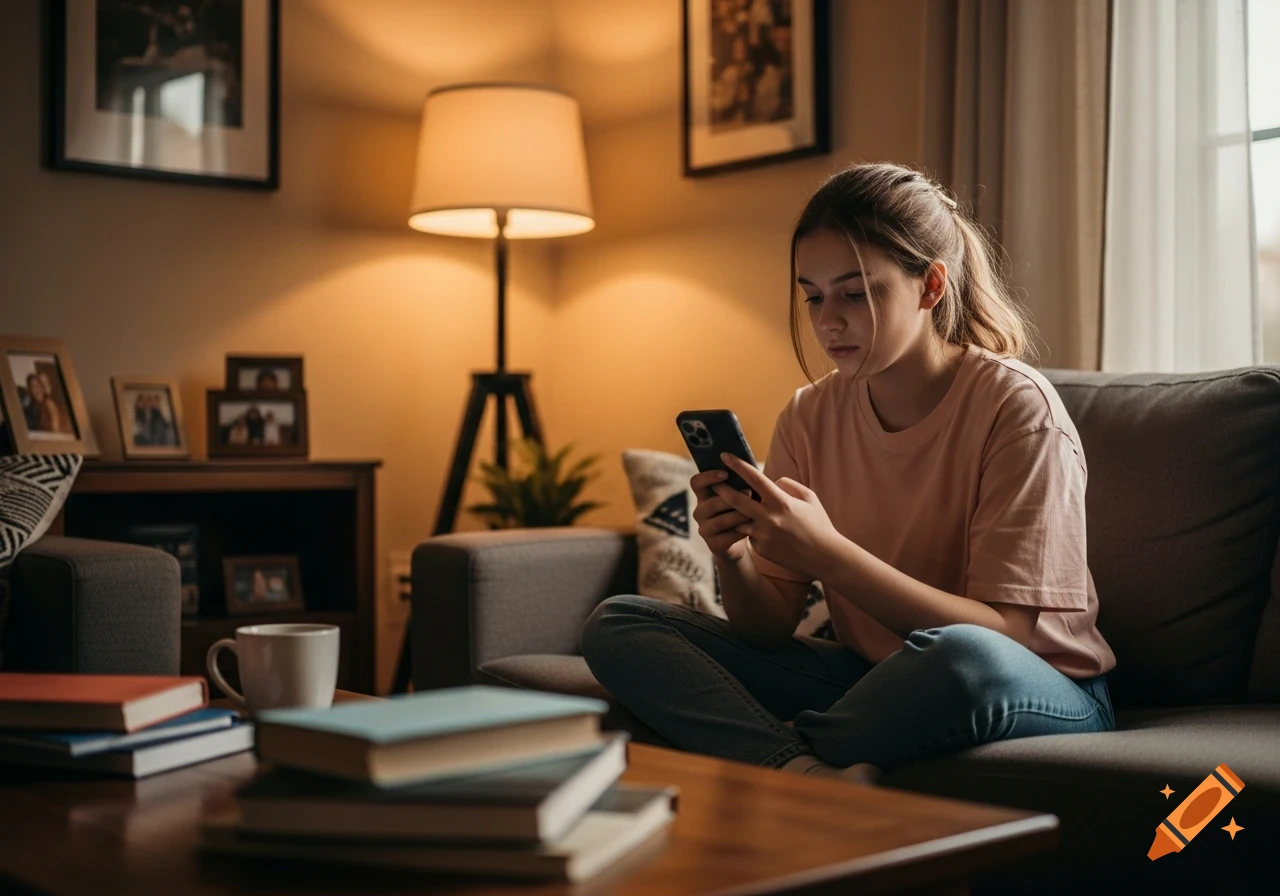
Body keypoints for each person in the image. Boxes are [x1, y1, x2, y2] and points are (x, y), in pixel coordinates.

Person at [581, 162, 1118, 784]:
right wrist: (731, 554)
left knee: (963, 656)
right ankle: (805, 772)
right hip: (874, 678)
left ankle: (763, 756)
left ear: (931, 286)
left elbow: (1007, 637)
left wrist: (829, 555)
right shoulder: (810, 414)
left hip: (1040, 685)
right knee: (621, 622)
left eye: (856, 292)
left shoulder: (1017, 409)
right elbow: (770, 624)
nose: (828, 320)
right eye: (813, 295)